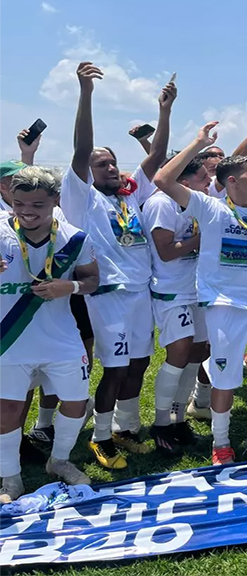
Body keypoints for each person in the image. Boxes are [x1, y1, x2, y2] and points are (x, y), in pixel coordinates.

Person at [153, 123, 247, 465]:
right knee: (225, 378)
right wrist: (197, 143)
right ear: (232, 181)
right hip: (225, 306)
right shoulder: (211, 208)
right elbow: (163, 180)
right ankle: (220, 443)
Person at [62, 62, 174, 469]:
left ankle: (127, 427)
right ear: (87, 174)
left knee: (140, 363)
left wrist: (164, 111)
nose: (111, 168)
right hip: (108, 296)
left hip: (140, 293)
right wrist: (86, 93)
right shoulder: (82, 198)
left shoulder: (128, 197)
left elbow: (158, 156)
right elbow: (79, 150)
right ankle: (101, 436)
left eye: (112, 163)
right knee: (114, 368)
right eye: (102, 165)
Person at [0, 166, 99, 503]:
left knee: (75, 402)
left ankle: (59, 461)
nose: (27, 213)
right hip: (9, 339)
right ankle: (10, 478)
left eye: (37, 206)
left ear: (55, 201)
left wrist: (68, 286)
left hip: (61, 337)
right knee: (8, 410)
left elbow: (92, 280)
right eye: (19, 205)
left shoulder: (74, 237)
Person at [143, 157, 209, 453]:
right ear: (185, 181)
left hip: (196, 290)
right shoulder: (161, 203)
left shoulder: (196, 202)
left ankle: (179, 418)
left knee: (198, 352)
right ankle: (160, 423)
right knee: (178, 353)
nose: (208, 183)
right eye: (203, 178)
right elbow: (167, 252)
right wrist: (202, 238)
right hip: (171, 291)